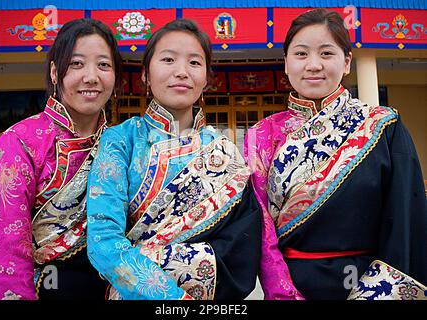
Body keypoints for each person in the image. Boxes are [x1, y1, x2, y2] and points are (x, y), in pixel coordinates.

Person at [244, 8, 427, 300]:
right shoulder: (261, 135)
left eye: (326, 53)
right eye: (301, 54)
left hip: (369, 282)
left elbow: (405, 219)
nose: (313, 65)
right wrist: (283, 292)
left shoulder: (384, 126)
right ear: (286, 63)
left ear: (346, 62)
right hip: (291, 285)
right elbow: (260, 228)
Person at [86, 19, 262, 300]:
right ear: (145, 74)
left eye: (194, 63)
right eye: (168, 59)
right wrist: (173, 299)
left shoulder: (225, 151)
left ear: (206, 77)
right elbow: (102, 242)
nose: (181, 72)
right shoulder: (121, 140)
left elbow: (241, 248)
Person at [0, 18, 123, 300]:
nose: (91, 77)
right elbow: (2, 253)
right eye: (77, 64)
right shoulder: (19, 144)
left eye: (103, 65)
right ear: (55, 72)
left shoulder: (122, 143)